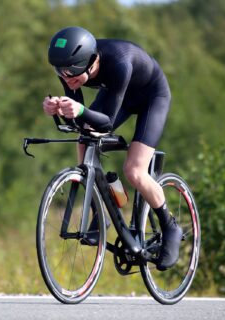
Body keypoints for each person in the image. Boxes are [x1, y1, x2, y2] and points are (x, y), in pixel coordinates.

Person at [42, 26, 182, 271]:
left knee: (134, 170)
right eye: (60, 73)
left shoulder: (119, 62)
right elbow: (79, 123)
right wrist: (59, 109)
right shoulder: (69, 66)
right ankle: (101, 210)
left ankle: (170, 226)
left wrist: (81, 110)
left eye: (72, 74)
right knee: (84, 139)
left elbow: (105, 121)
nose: (66, 78)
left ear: (91, 62)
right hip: (120, 95)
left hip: (151, 96)